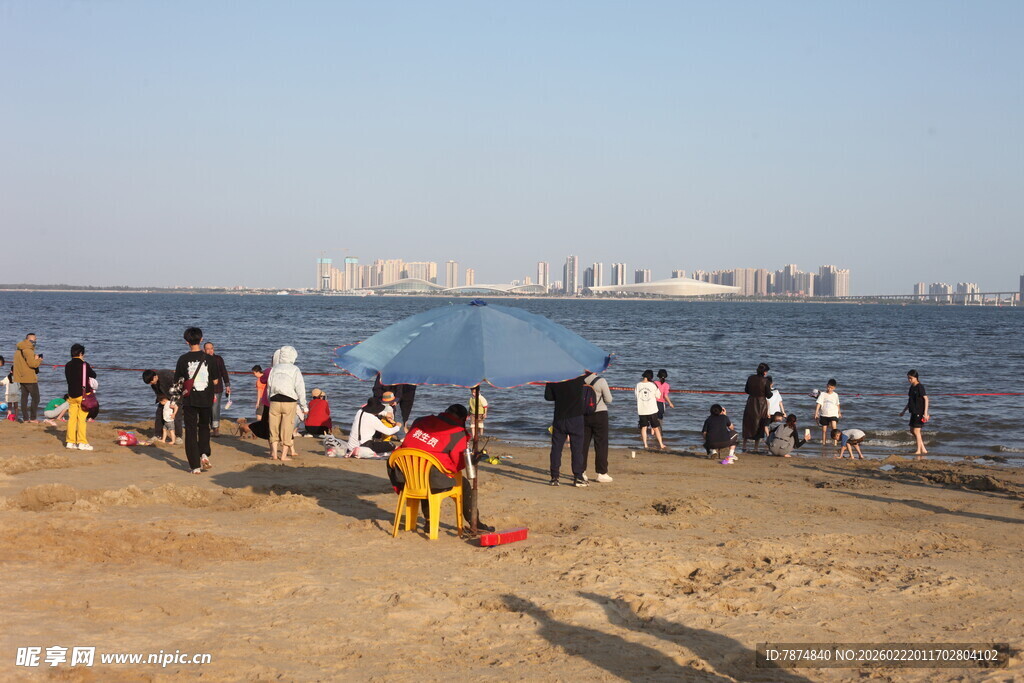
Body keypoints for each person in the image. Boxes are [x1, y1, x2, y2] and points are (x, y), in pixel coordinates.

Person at [388, 404, 495, 533]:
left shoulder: (421, 420)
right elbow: (458, 464)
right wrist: (471, 459)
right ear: (463, 419)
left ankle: (429, 521)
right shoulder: (457, 433)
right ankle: (475, 524)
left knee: (424, 472)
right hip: (426, 478)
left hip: (402, 474)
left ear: (445, 412)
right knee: (461, 484)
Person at [174, 327, 221, 474]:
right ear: (201, 340)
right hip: (206, 399)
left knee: (191, 430)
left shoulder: (182, 359)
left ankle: (194, 466)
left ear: (186, 342)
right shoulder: (210, 359)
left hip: (189, 400)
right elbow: (215, 381)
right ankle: (204, 453)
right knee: (204, 427)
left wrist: (174, 401)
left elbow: (178, 383)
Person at [544, 374, 588, 487]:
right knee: (577, 449)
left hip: (560, 417)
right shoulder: (579, 377)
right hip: (575, 417)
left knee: (556, 448)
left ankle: (554, 477)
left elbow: (548, 397)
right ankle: (578, 476)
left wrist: (557, 392)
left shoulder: (553, 378)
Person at [266, 345, 307, 461]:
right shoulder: (295, 369)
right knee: (287, 428)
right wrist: (304, 406)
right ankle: (283, 456)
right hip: (289, 401)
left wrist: (269, 399)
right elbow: (300, 388)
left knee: (273, 428)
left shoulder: (274, 368)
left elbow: (269, 386)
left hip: (274, 400)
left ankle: (274, 454)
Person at [582, 370, 613, 483]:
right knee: (601, 444)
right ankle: (601, 473)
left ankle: (581, 472)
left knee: (583, 444)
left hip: (584, 414)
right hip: (600, 414)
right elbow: (609, 399)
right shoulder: (601, 381)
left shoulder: (579, 380)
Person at [63, 343, 96, 450]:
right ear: (81, 353)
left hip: (71, 395)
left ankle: (70, 442)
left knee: (72, 419)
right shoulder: (84, 365)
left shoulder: (67, 365)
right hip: (83, 395)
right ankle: (81, 442)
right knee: (82, 419)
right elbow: (93, 375)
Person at [142, 369, 183, 442]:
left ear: (155, 377)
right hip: (164, 397)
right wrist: (163, 401)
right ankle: (158, 435)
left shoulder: (167, 376)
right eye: (149, 383)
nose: (151, 384)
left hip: (177, 394)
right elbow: (158, 393)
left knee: (176, 415)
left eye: (151, 382)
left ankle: (178, 436)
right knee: (159, 413)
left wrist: (172, 403)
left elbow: (178, 390)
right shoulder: (153, 383)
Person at [203, 342, 232, 437]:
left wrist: (227, 385)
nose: (210, 350)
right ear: (204, 350)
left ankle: (216, 428)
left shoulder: (218, 359)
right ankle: (207, 427)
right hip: (204, 388)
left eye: (211, 348)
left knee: (215, 408)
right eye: (208, 349)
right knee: (206, 408)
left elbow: (224, 372)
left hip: (217, 388)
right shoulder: (202, 360)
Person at [900, 369, 930, 458]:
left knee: (917, 431)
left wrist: (925, 413)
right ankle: (923, 449)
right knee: (912, 430)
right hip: (913, 411)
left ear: (916, 378)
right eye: (908, 378)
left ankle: (918, 450)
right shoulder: (912, 387)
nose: (909, 380)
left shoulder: (919, 387)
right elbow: (910, 401)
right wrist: (903, 411)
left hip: (919, 412)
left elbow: (926, 399)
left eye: (911, 378)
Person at [13, 333, 42, 423]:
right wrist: (38, 359)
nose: (34, 342)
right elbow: (33, 364)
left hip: (21, 377)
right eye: (33, 341)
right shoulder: (28, 350)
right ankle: (33, 418)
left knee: (24, 398)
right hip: (29, 378)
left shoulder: (19, 349)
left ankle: (26, 418)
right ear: (28, 340)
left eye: (35, 340)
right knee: (36, 398)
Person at [742, 363, 770, 453]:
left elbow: (746, 390)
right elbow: (769, 395)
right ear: (765, 372)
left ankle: (744, 445)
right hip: (761, 403)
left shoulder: (750, 378)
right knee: (759, 423)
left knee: (748, 422)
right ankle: (756, 447)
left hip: (751, 401)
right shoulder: (766, 381)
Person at [634, 370, 665, 451]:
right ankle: (661, 444)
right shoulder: (653, 385)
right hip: (652, 409)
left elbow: (636, 396)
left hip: (642, 409)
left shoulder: (638, 385)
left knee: (643, 428)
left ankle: (645, 445)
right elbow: (658, 396)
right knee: (655, 427)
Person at [814, 379, 842, 444]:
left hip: (833, 414)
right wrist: (816, 413)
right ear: (826, 386)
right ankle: (824, 442)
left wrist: (839, 412)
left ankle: (835, 443)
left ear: (834, 388)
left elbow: (837, 404)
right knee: (824, 430)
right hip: (824, 414)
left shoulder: (835, 395)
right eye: (828, 387)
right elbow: (819, 403)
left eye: (831, 388)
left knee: (834, 428)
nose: (829, 389)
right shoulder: (823, 394)